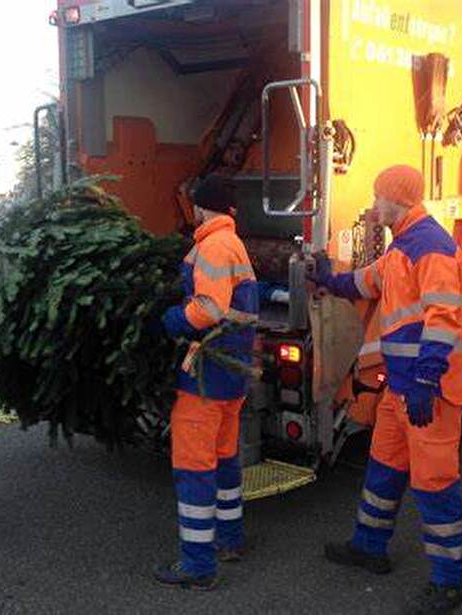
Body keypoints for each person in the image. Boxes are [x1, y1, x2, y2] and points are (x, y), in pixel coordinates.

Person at [311, 165, 462, 613]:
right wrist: (328, 277)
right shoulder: (403, 246)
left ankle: (449, 584)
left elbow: (444, 318)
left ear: (398, 201)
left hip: (430, 394)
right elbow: (368, 282)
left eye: (378, 197)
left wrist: (425, 379)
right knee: (382, 471)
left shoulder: (432, 248)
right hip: (402, 391)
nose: (372, 204)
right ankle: (369, 546)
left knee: (435, 485)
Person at [154, 175, 259, 590]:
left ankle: (198, 565)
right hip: (230, 372)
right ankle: (230, 539)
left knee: (194, 468)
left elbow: (210, 308)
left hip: (207, 374)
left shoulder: (213, 245)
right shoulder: (233, 242)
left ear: (200, 208)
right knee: (224, 458)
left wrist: (171, 320)